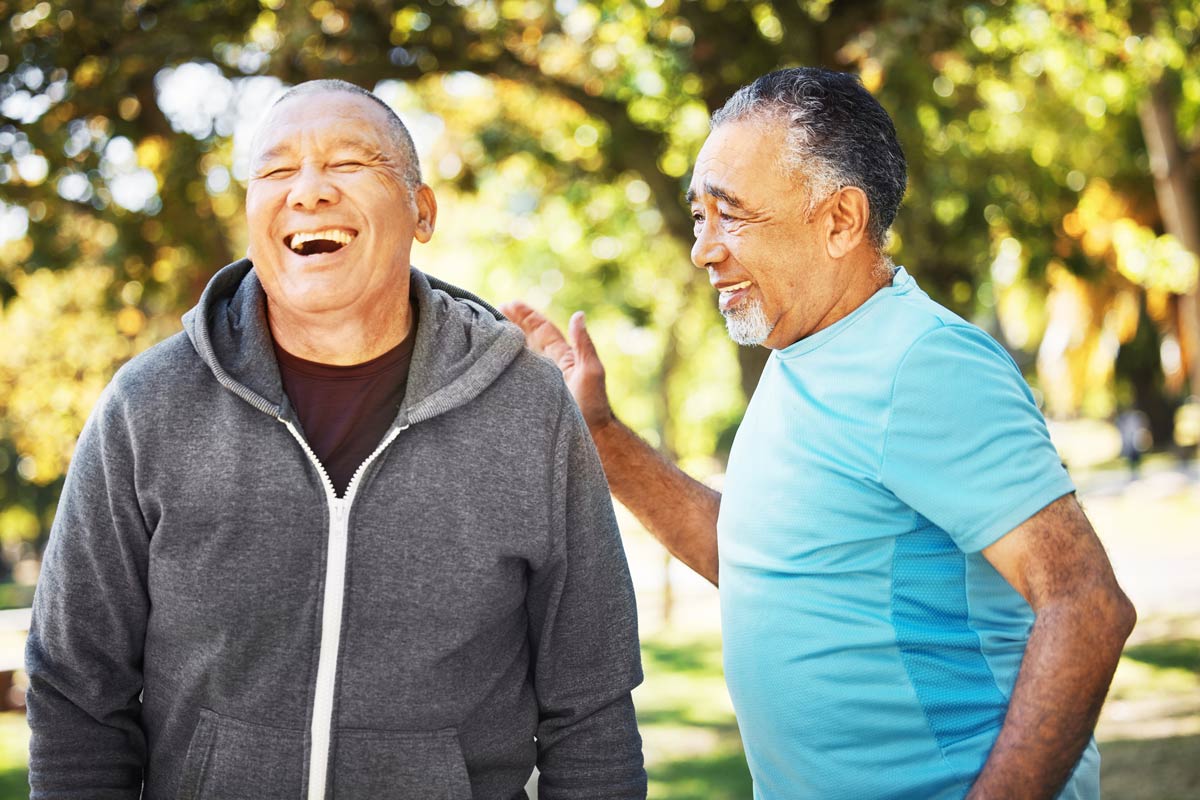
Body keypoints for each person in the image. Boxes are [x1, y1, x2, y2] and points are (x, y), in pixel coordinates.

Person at [503, 67, 1135, 800]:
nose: (703, 249)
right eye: (699, 216)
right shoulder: (802, 348)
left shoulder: (921, 361)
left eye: (731, 215)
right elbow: (759, 559)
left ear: (840, 221)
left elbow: (1084, 604)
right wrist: (599, 433)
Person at [25, 80, 646, 800]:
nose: (309, 191)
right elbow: (76, 692)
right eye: (277, 170)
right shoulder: (147, 405)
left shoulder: (529, 411)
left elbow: (591, 706)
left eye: (350, 164)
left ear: (423, 211)